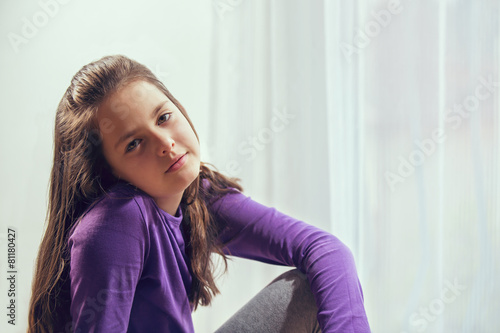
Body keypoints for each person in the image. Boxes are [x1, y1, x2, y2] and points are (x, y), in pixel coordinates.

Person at [27, 55, 371, 333]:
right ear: (109, 172)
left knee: (313, 285)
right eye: (134, 143)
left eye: (163, 117)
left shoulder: (196, 195)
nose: (166, 144)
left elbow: (325, 250)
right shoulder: (117, 222)